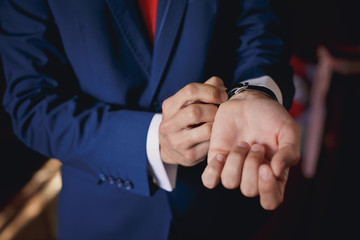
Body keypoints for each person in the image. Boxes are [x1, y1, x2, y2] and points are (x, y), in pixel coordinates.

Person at [0, 0, 300, 239]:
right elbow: (32, 102)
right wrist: (152, 142)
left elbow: (258, 26)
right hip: (106, 219)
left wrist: (256, 91)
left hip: (230, 200)